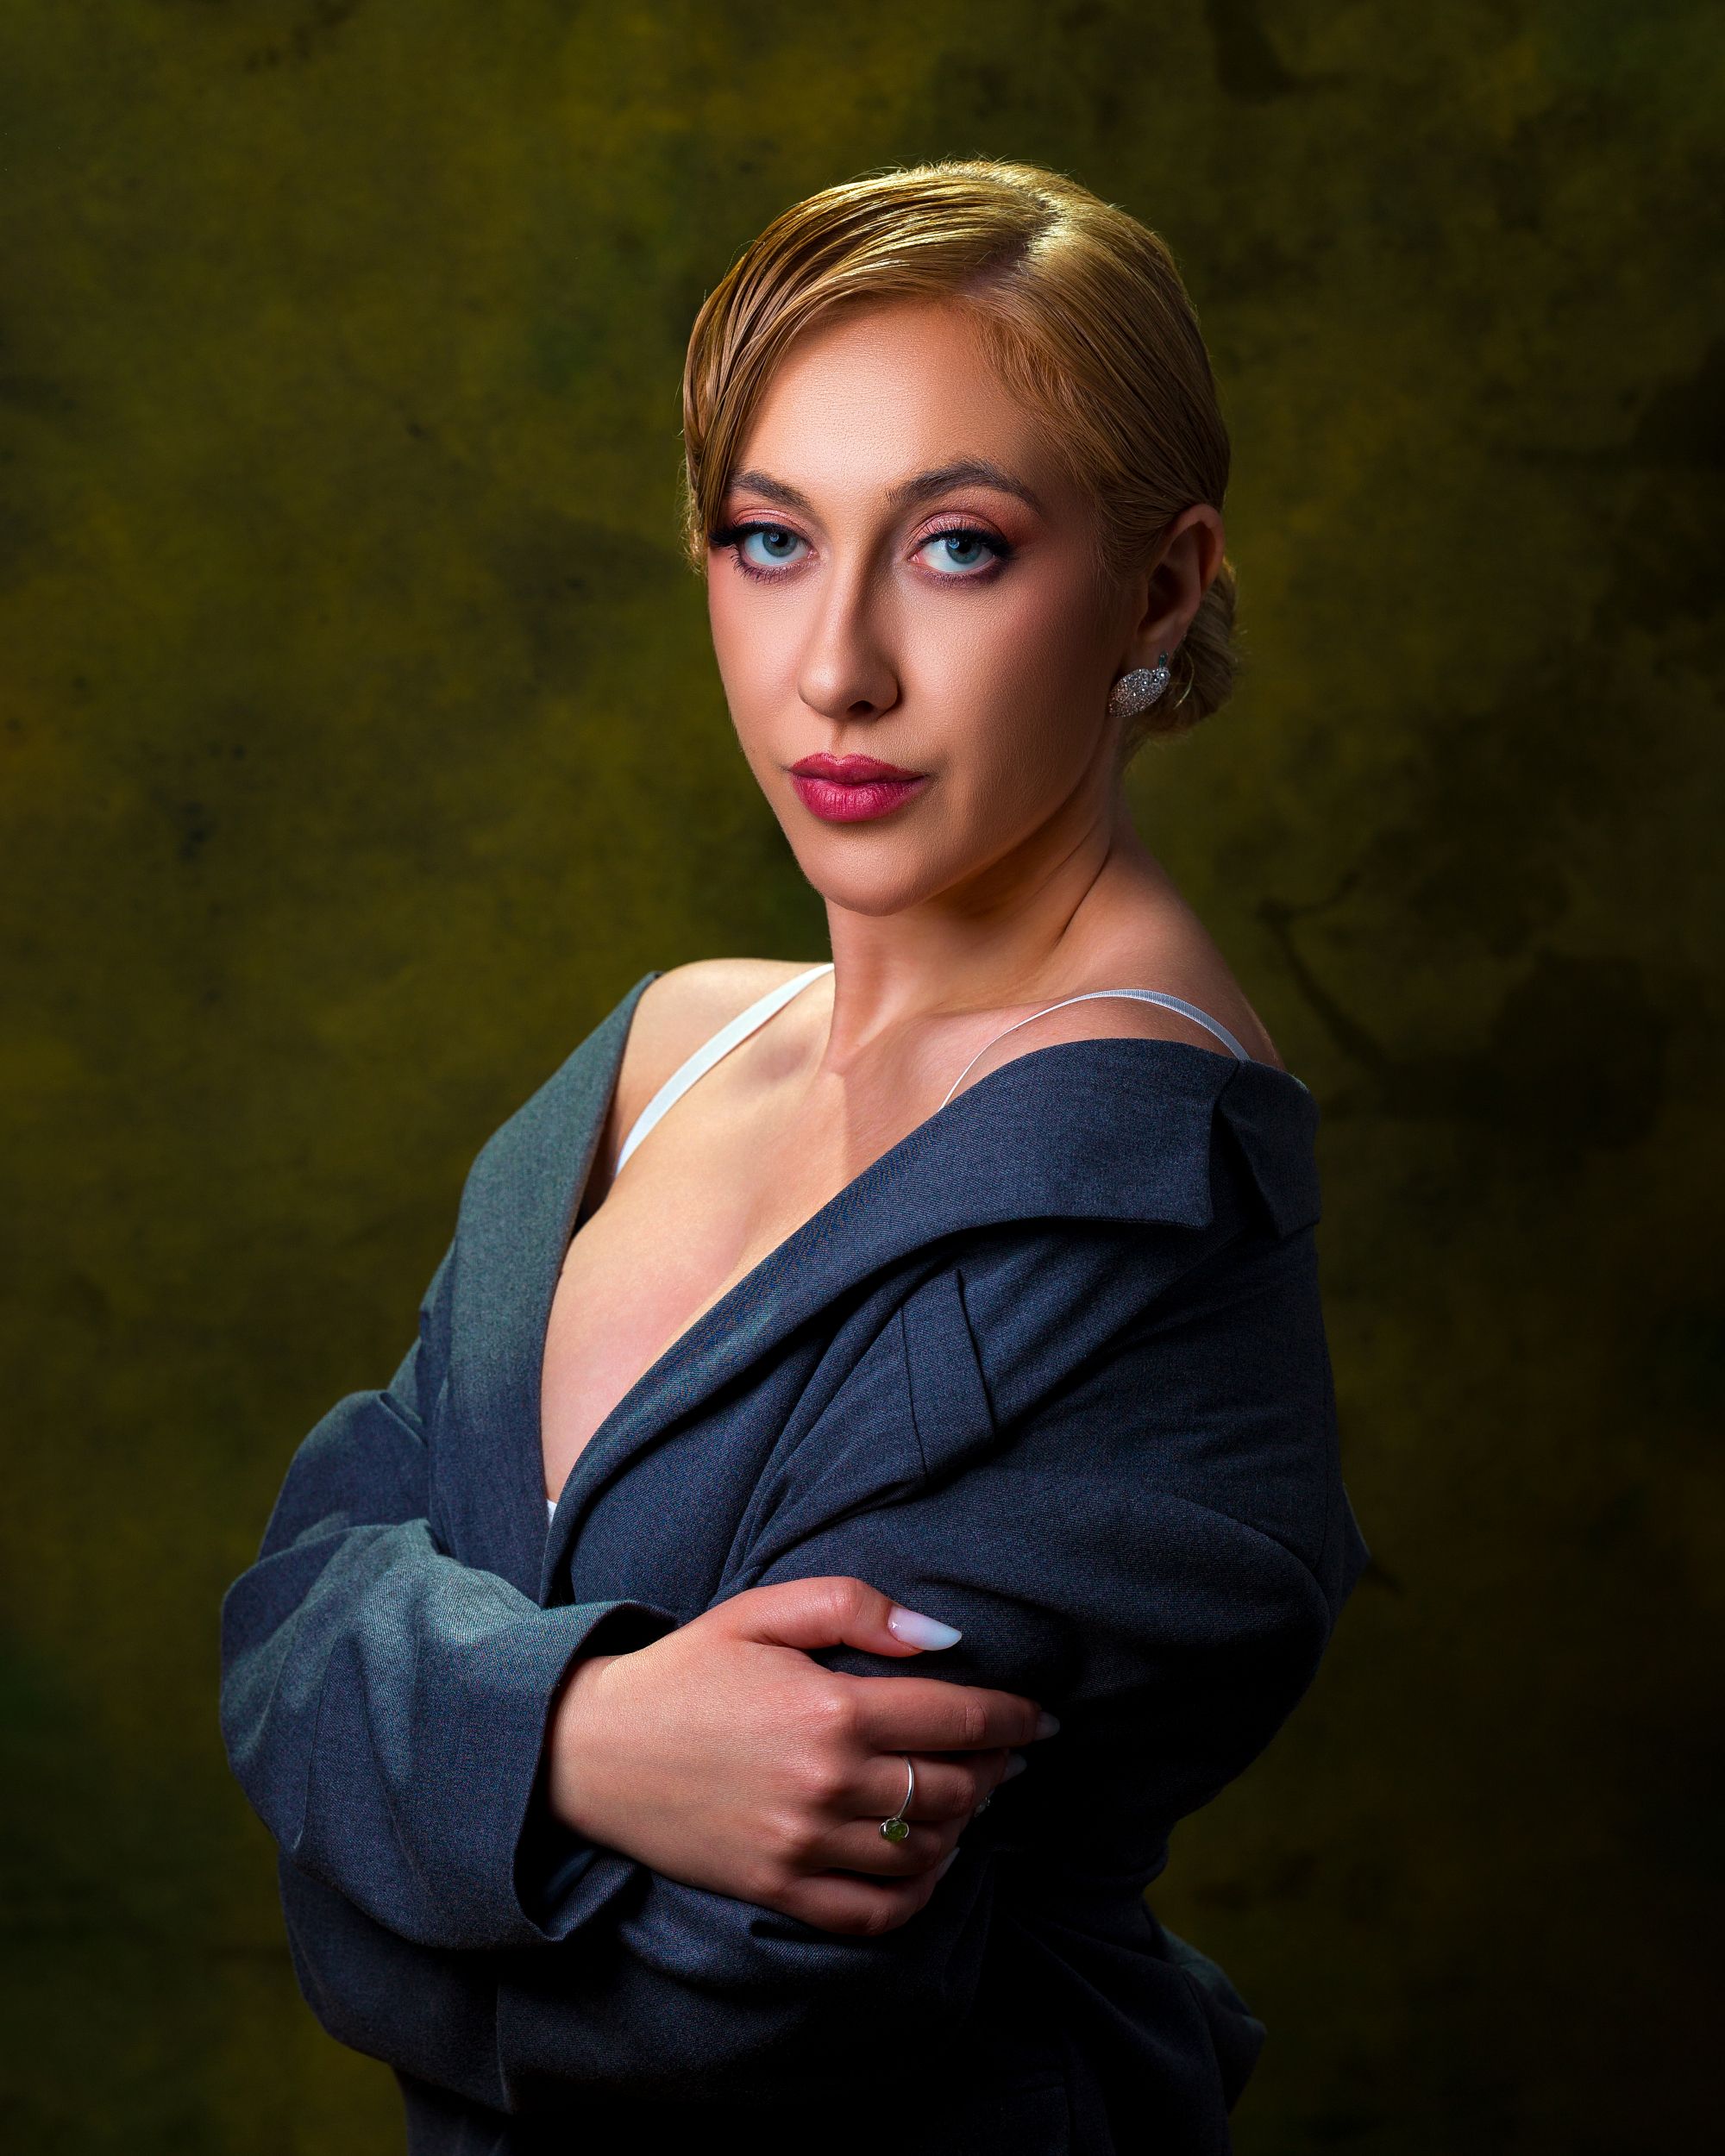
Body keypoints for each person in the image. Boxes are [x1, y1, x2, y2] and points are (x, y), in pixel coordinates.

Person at [220, 157, 1370, 2154]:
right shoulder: (655, 1057)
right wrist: (583, 1732)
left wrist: (384, 1852)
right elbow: (288, 1609)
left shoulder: (1148, 1198)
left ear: (1159, 588)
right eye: (770, 537)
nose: (835, 666)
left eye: (956, 547)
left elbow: (744, 1986)